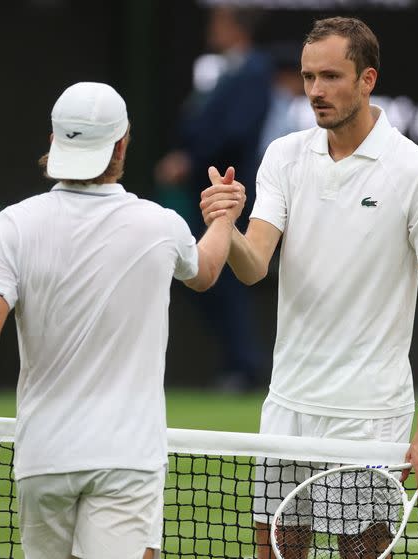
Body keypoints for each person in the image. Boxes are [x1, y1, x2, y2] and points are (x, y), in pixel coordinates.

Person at [0, 82, 245, 559]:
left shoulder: (13, 224)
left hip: (44, 461)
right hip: (126, 459)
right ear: (122, 145)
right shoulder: (160, 224)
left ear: (54, 143)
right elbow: (206, 271)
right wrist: (223, 215)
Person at [200, 16, 418, 558]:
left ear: (367, 80)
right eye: (307, 77)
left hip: (369, 415)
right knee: (275, 551)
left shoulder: (417, 172)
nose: (316, 91)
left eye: (331, 77)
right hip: (287, 406)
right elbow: (254, 266)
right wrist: (226, 225)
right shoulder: (284, 156)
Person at [155, 4, 272, 392]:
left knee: (226, 277)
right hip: (206, 192)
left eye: (218, 21)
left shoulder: (254, 70)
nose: (212, 29)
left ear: (235, 26)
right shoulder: (225, 71)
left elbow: (236, 131)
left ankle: (244, 366)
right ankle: (237, 362)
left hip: (229, 192)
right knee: (202, 274)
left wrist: (190, 160)